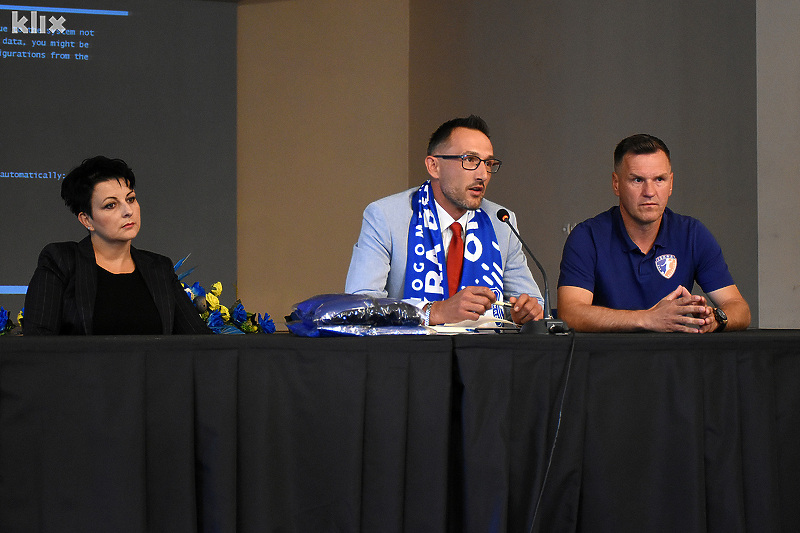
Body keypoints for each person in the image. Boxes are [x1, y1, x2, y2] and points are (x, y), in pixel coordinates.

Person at [345, 115, 544, 326]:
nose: (483, 175)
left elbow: (534, 303)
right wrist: (435, 311)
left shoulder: (502, 221)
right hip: (409, 354)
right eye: (470, 160)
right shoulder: (385, 216)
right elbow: (359, 306)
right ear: (434, 166)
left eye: (488, 163)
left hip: (484, 354)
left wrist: (525, 313)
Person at [557, 134, 751, 333]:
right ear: (616, 184)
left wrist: (717, 319)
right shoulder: (586, 237)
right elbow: (570, 313)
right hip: (606, 360)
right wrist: (647, 318)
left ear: (671, 183)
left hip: (672, 361)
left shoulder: (692, 234)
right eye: (637, 180)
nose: (649, 191)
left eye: (659, 179)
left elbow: (739, 308)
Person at [23, 156, 210, 335]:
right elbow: (38, 345)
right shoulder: (60, 260)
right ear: (86, 219)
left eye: (130, 199)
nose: (128, 211)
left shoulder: (159, 268)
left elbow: (200, 343)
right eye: (111, 205)